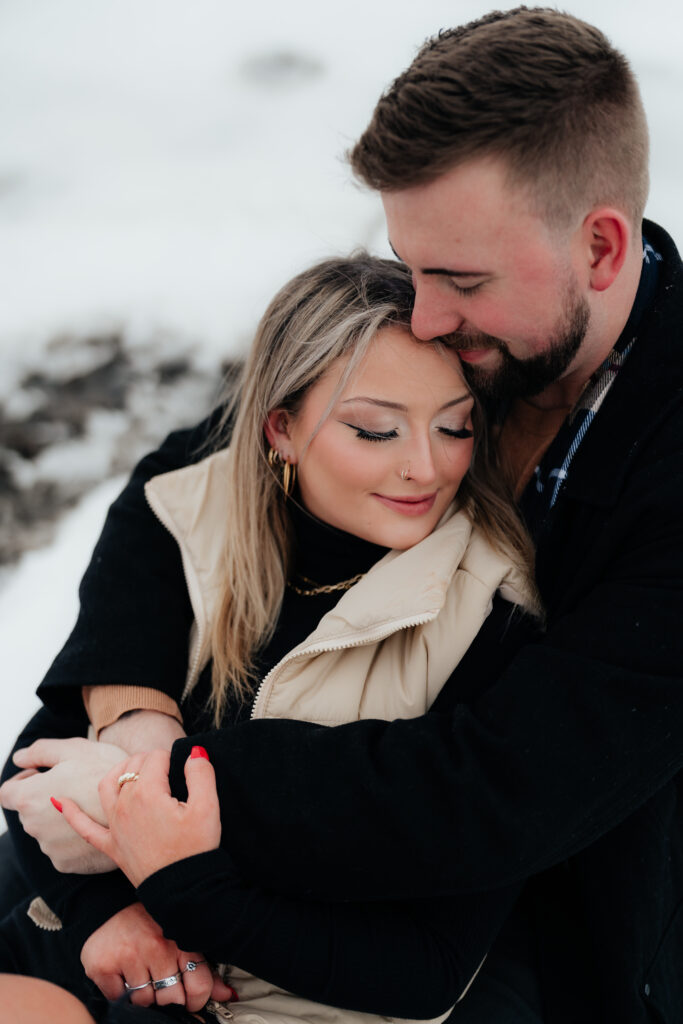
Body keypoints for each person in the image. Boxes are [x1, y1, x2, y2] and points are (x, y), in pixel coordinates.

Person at [3, 5, 683, 1021]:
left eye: (456, 278)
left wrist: (156, 791)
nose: (423, 316)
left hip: (549, 944)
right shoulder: (477, 334)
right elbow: (182, 488)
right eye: (410, 266)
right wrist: (131, 717)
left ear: (597, 244)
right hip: (258, 869)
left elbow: (494, 788)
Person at [0, 253, 539, 1023]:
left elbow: (427, 970)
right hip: (122, 943)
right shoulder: (199, 522)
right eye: (375, 429)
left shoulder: (491, 611)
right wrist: (103, 919)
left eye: (455, 426)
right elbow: (34, 772)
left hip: (294, 996)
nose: (425, 467)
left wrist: (177, 883)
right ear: (280, 429)